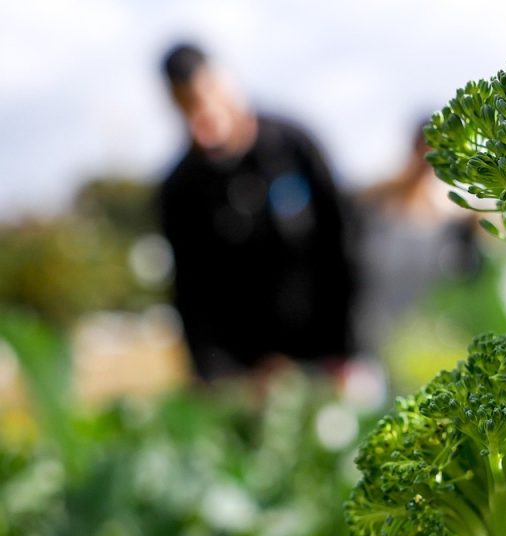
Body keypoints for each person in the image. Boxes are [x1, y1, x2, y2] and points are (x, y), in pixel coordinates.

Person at [158, 43, 357, 382]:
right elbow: (191, 291)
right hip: (247, 375)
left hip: (325, 356)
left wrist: (350, 350)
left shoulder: (294, 145)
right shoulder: (181, 187)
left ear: (225, 83)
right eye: (186, 104)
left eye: (205, 95)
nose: (202, 112)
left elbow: (345, 240)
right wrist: (217, 375)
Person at [354, 123, 481, 356]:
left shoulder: (451, 211)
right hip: (371, 331)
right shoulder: (377, 199)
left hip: (424, 336)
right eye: (425, 149)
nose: (428, 158)